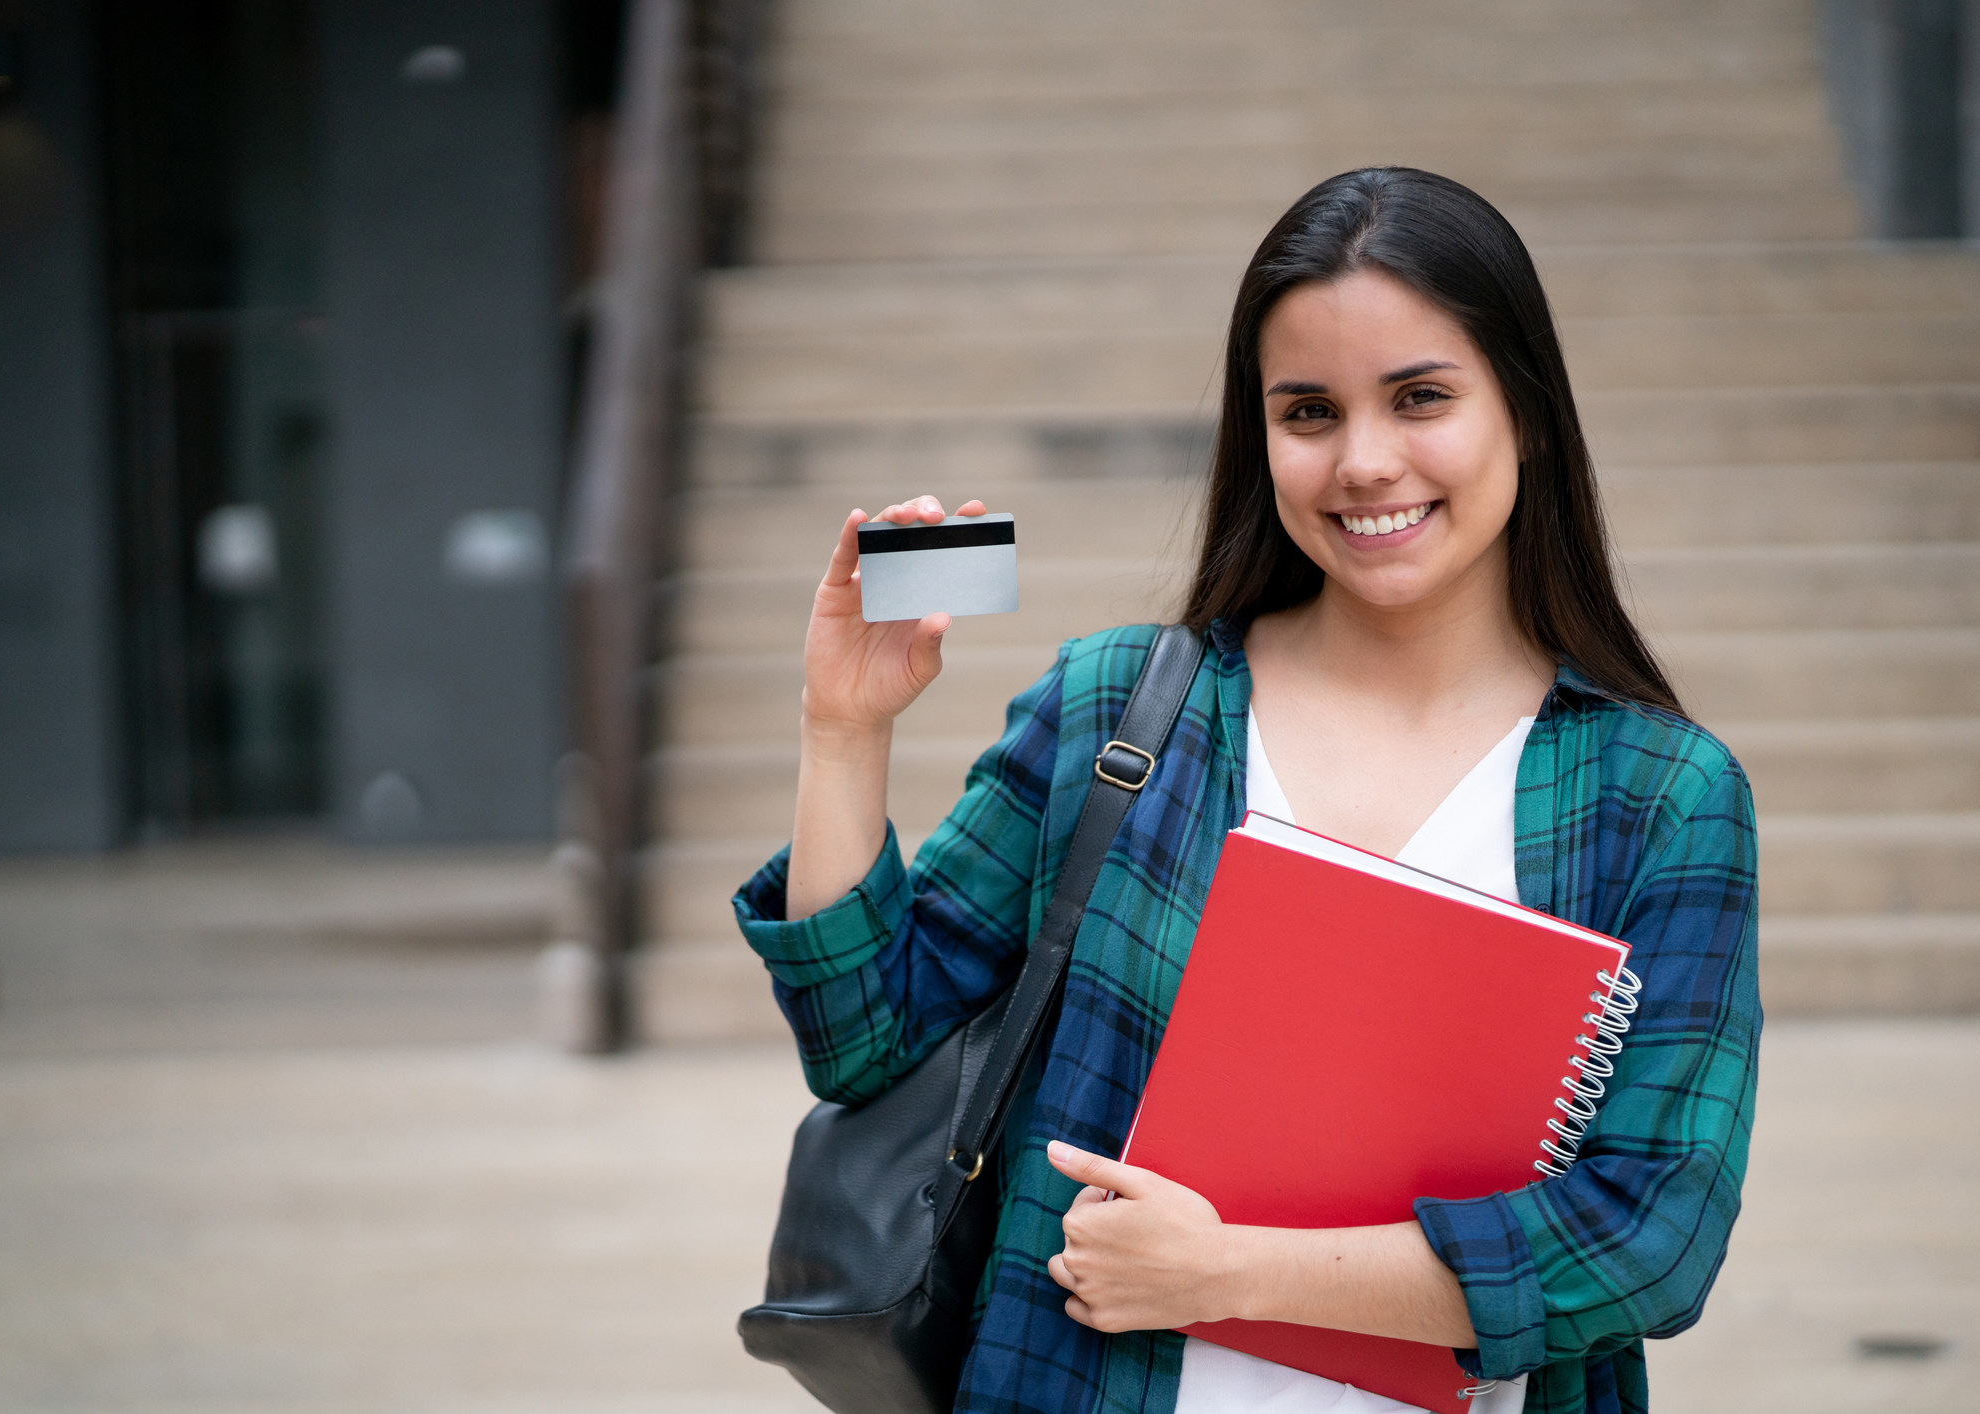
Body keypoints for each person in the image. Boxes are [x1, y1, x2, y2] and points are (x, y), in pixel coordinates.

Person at [734, 167, 1760, 1414]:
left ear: (1526, 412)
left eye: (1420, 397)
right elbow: (864, 1040)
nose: (1365, 461)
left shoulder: (1656, 791)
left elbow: (1653, 1235)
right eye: (1308, 411)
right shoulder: (1122, 706)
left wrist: (1226, 1272)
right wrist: (841, 730)